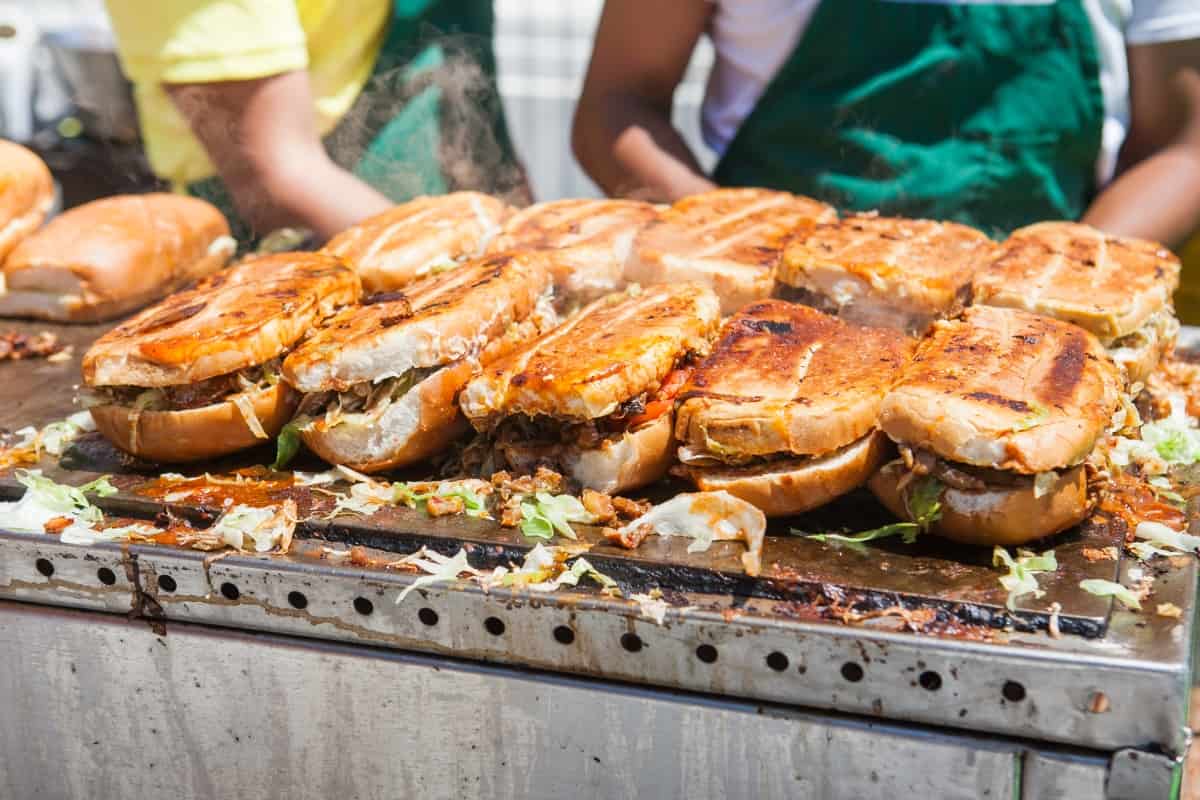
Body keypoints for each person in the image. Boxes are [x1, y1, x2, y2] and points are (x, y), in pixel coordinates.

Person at [572, 1, 1200, 248]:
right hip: (767, 310)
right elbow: (617, 104)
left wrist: (1067, 271)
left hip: (1036, 329)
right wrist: (747, 244)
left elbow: (1184, 144)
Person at [103, 0, 527, 243]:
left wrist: (530, 238)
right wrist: (475, 276)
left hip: (465, 228)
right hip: (302, 250)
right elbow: (278, 174)